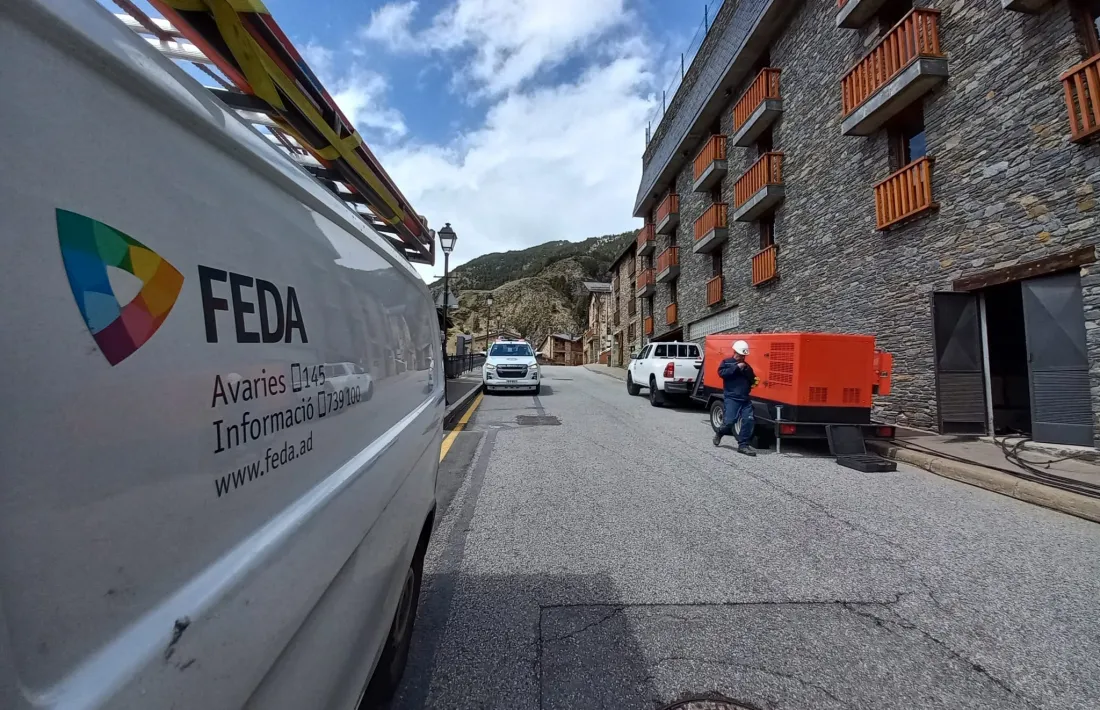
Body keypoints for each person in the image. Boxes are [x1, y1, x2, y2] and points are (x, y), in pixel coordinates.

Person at [713, 339, 757, 456]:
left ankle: (743, 445)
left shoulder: (747, 366)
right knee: (729, 422)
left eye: (743, 355)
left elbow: (753, 379)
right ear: (735, 352)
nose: (741, 357)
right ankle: (719, 433)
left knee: (748, 420)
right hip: (732, 398)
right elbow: (722, 374)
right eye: (739, 354)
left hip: (745, 398)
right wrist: (737, 367)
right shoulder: (726, 363)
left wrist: (751, 376)